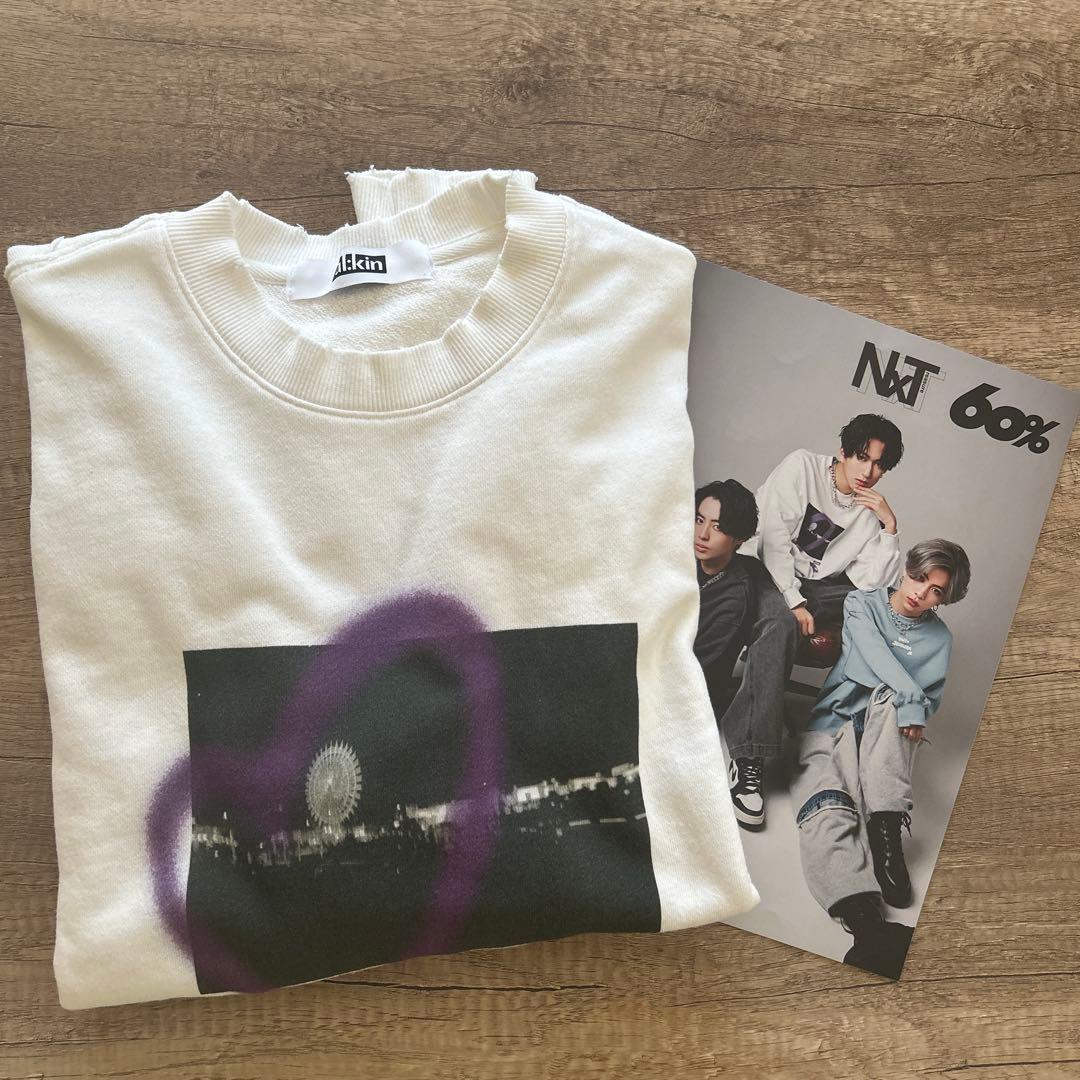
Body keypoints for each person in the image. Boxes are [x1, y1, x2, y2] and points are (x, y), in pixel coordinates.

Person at [789, 538, 971, 979]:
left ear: (945, 599)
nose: (920, 592)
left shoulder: (940, 639)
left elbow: (925, 706)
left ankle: (885, 827)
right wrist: (911, 696)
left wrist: (909, 701)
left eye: (935, 590)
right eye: (919, 578)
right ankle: (866, 924)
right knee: (823, 808)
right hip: (833, 724)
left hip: (886, 737)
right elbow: (866, 662)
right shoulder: (862, 603)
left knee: (892, 701)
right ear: (906, 569)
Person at [723, 414, 906, 829]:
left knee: (877, 607)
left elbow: (871, 582)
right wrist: (794, 601)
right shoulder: (802, 466)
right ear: (843, 451)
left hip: (817, 586)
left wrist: (890, 527)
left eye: (879, 465)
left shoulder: (867, 513)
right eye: (862, 457)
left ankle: (839, 745)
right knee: (781, 623)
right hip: (764, 568)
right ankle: (749, 756)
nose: (868, 472)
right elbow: (772, 539)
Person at [692, 481, 767, 821]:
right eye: (699, 520)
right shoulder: (681, 558)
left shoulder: (736, 596)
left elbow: (696, 669)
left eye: (718, 527)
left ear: (739, 538)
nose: (703, 534)